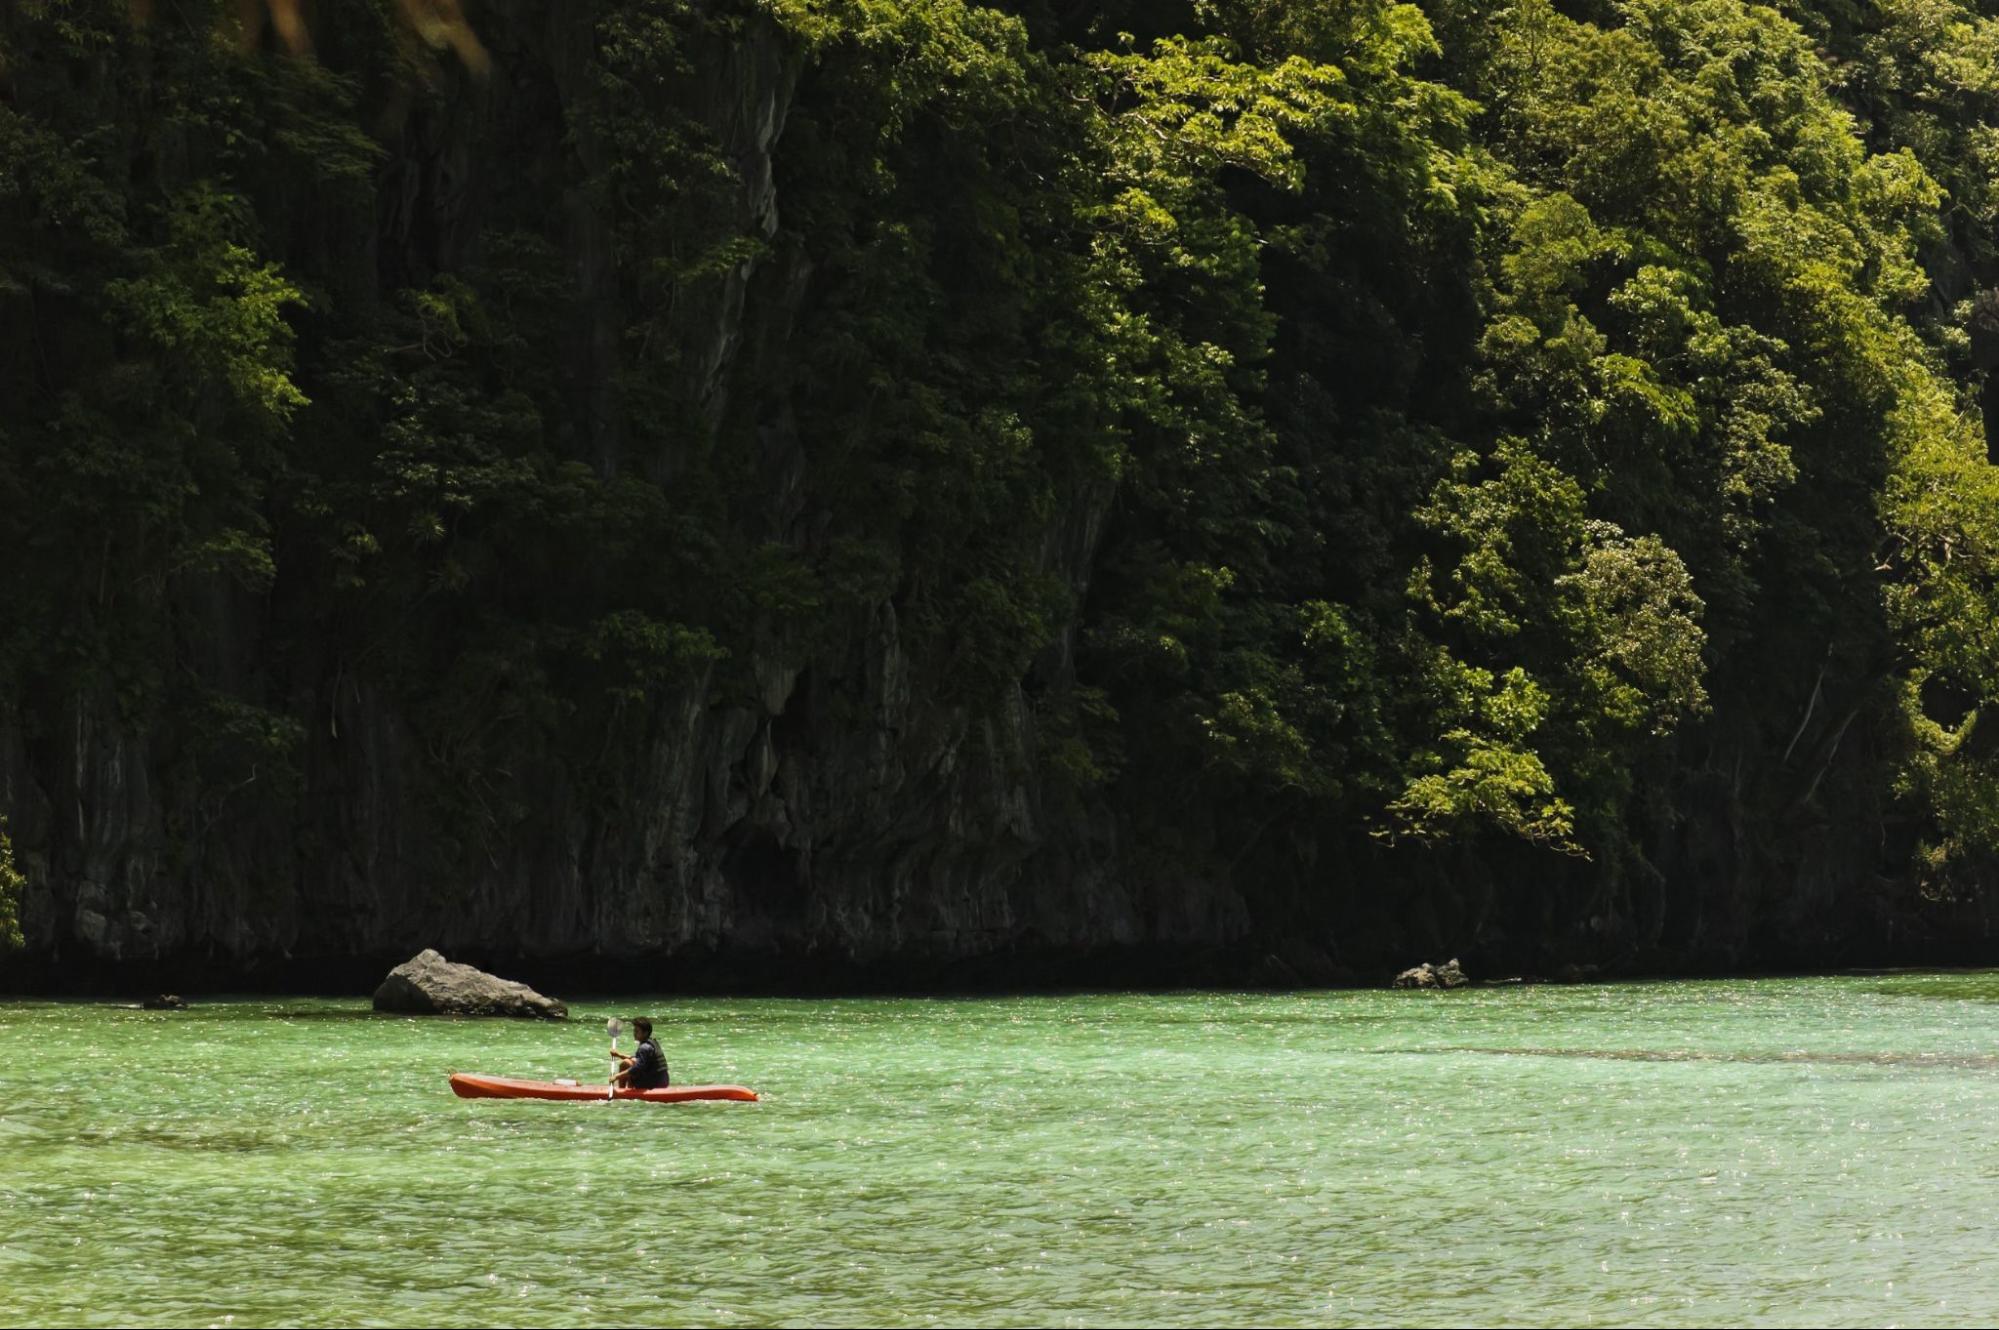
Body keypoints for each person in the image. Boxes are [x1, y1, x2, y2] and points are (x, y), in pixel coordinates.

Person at [610, 1017, 669, 1090]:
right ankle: (627, 1090)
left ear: (645, 1033)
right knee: (629, 1062)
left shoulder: (644, 1047)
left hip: (654, 1083)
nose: (634, 1033)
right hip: (663, 1081)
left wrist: (616, 1076)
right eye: (634, 1031)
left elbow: (637, 1068)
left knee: (625, 1064)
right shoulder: (652, 1043)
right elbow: (637, 1059)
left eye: (637, 1031)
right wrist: (618, 1055)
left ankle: (622, 1092)